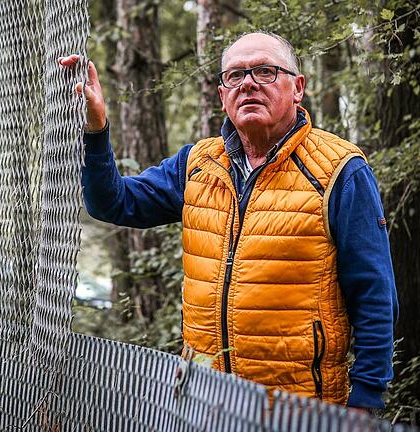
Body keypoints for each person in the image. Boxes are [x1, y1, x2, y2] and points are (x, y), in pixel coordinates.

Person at [58, 31, 398, 412]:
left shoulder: (339, 171)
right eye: (235, 75)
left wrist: (364, 401)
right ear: (223, 95)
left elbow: (374, 295)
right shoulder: (199, 164)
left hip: (298, 408)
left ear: (298, 88)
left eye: (265, 71)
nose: (248, 83)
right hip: (205, 401)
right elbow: (113, 204)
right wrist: (96, 127)